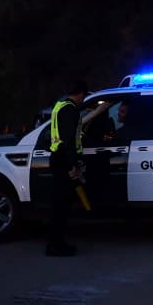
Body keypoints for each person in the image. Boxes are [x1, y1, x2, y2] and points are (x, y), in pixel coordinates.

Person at [46, 80, 107, 256]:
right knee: (60, 206)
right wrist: (72, 165)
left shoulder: (60, 105)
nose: (83, 100)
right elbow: (69, 140)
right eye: (84, 96)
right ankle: (56, 245)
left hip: (58, 159)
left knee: (60, 205)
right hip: (63, 162)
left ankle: (56, 243)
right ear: (81, 94)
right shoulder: (70, 110)